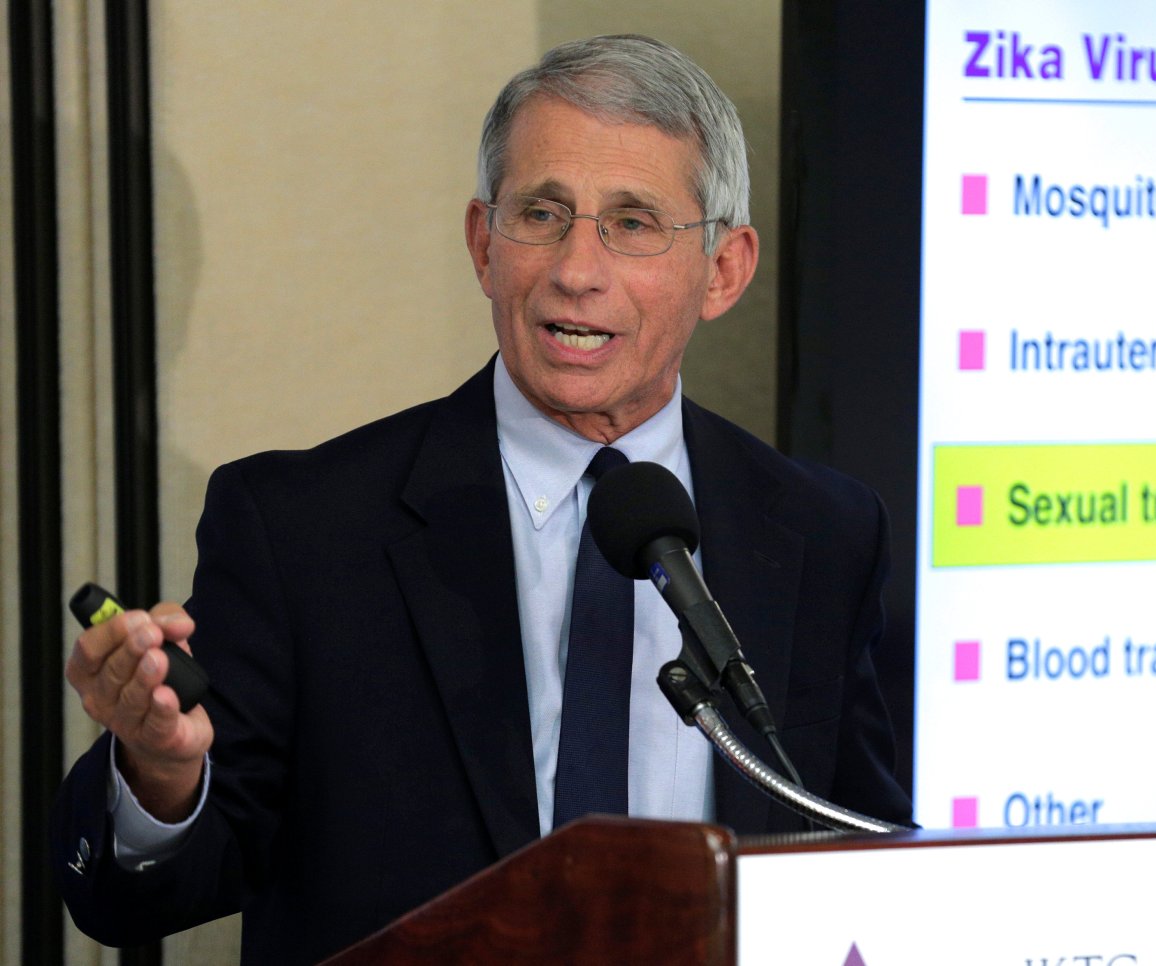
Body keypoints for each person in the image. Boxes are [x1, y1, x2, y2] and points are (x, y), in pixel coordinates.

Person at [53, 34, 912, 964]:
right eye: (542, 214)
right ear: (483, 243)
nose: (576, 269)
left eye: (633, 223)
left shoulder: (822, 533)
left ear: (727, 269)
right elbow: (148, 892)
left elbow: (862, 854)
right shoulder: (305, 527)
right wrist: (161, 773)